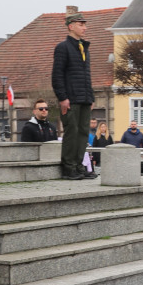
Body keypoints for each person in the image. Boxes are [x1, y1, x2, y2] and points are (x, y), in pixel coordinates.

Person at [51, 12, 96, 180]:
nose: (85, 28)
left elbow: (87, 75)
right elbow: (57, 75)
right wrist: (62, 97)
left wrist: (90, 97)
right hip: (71, 98)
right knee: (72, 132)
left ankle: (78, 166)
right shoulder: (63, 47)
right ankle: (69, 167)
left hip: (84, 97)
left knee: (83, 132)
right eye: (81, 24)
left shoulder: (84, 47)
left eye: (85, 24)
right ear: (71, 26)